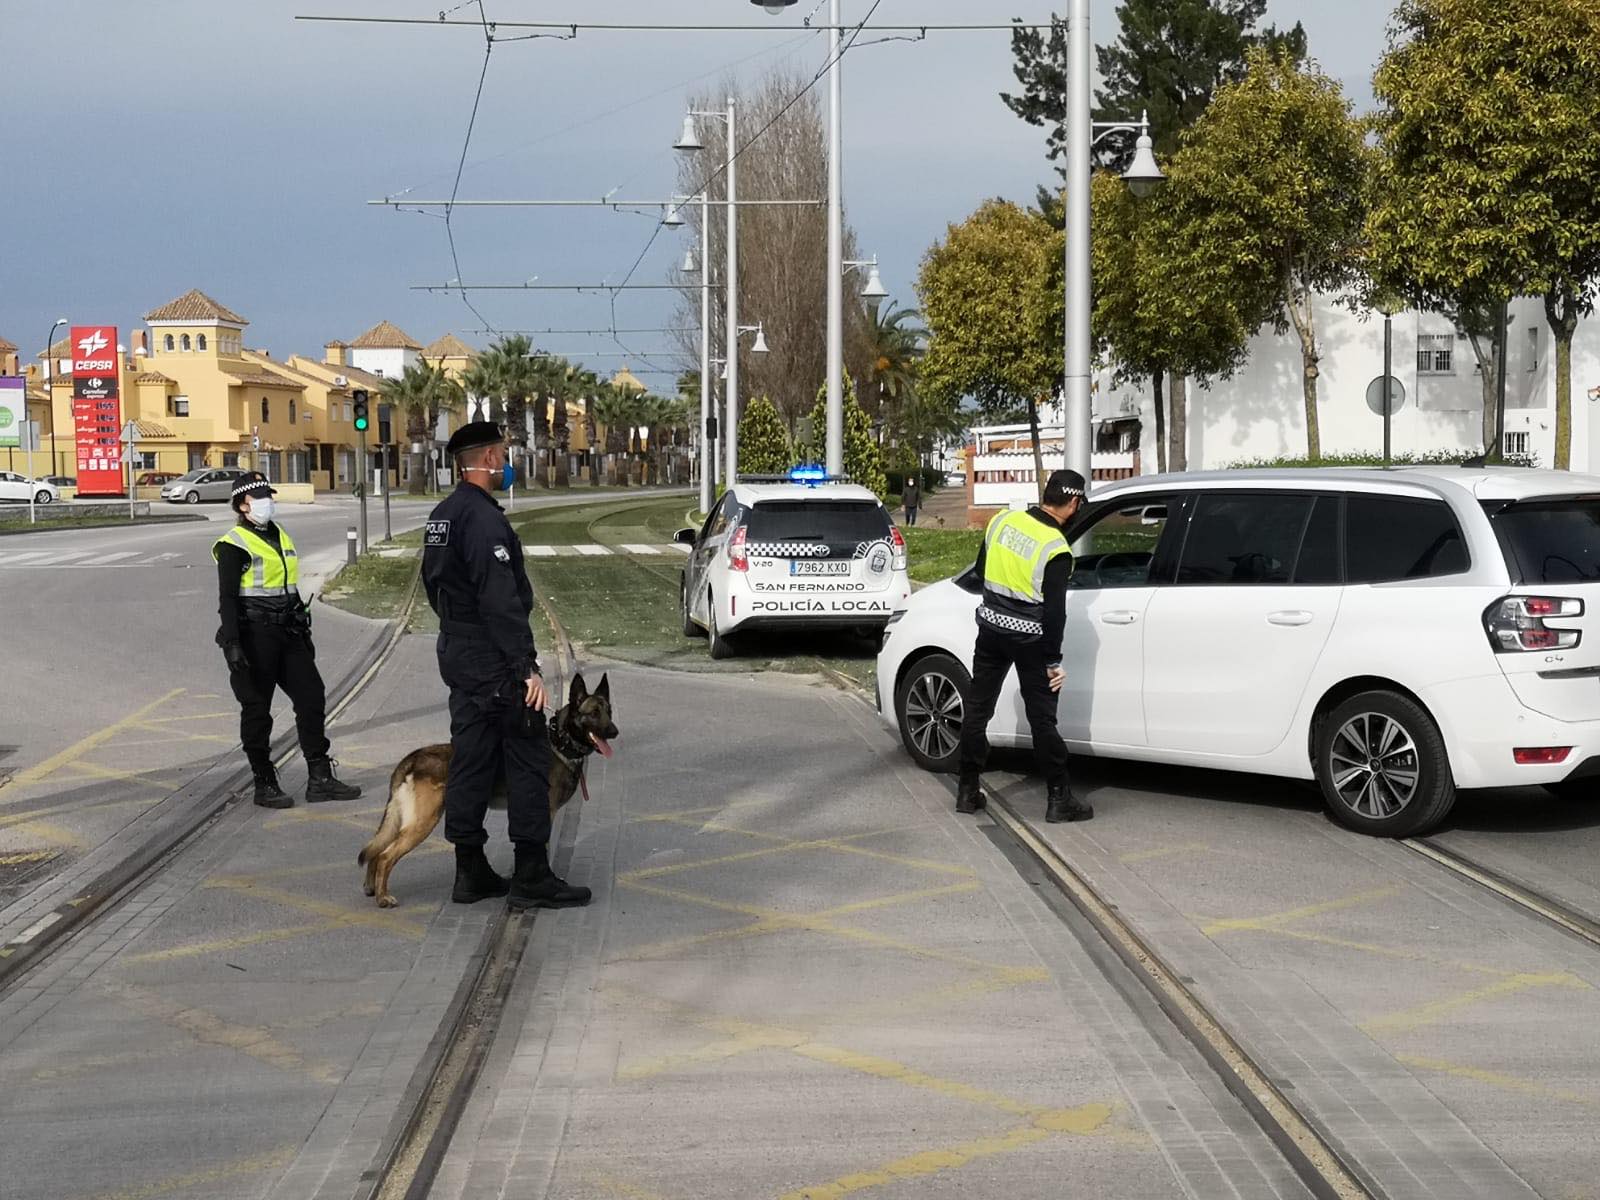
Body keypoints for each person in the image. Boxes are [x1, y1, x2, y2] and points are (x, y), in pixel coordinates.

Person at [422, 421, 590, 910]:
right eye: (503, 454)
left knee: (471, 757)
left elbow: (435, 587)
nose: (505, 462)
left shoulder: (443, 515)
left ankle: (469, 870)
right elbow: (501, 602)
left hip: (458, 653)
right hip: (495, 659)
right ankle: (532, 874)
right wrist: (525, 668)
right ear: (491, 459)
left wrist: (462, 633)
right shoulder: (484, 521)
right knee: (527, 757)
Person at [214, 472, 362, 808]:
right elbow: (228, 599)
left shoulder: (279, 535)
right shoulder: (232, 544)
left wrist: (302, 626)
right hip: (254, 636)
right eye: (261, 497)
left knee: (311, 697)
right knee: (257, 710)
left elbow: (289, 585)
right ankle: (264, 782)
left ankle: (320, 777)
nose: (268, 501)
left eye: (269, 495)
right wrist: (233, 644)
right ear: (243, 504)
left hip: (287, 632)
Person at [956, 468, 1093, 824]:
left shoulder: (1002, 521)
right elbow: (1054, 614)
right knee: (1042, 720)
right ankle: (1058, 798)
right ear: (1074, 503)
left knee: (978, 707)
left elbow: (982, 570)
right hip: (1031, 641)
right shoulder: (1056, 549)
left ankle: (967, 790)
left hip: (990, 630)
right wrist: (1053, 661)